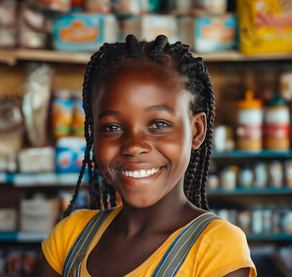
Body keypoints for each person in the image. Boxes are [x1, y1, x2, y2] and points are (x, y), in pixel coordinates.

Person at [40, 34, 257, 277]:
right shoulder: (69, 237)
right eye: (112, 128)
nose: (134, 146)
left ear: (196, 131)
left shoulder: (216, 249)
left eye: (159, 124)